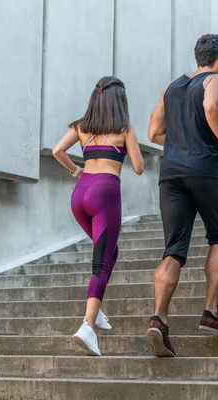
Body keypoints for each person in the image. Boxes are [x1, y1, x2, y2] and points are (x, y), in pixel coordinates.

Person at [145, 34, 218, 357]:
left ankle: (159, 320)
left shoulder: (172, 87)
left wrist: (183, 135)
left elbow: (153, 132)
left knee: (173, 250)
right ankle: (211, 311)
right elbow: (212, 105)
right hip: (204, 170)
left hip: (170, 174)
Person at [53, 76, 144, 356]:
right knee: (101, 264)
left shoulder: (81, 126)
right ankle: (87, 326)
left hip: (80, 195)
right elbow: (139, 168)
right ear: (121, 101)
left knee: (109, 251)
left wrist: (76, 170)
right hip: (105, 194)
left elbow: (58, 150)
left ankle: (98, 309)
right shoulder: (124, 128)